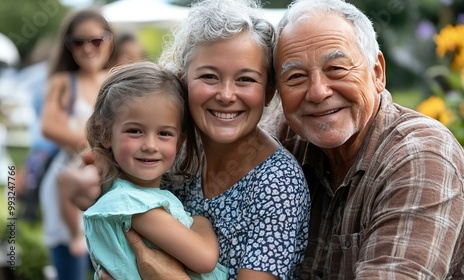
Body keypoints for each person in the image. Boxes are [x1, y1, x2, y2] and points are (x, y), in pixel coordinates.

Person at [65, 0, 310, 279]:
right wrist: (83, 180)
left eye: (245, 79)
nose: (227, 95)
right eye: (209, 76)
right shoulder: (170, 151)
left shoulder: (277, 182)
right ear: (183, 82)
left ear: (268, 92)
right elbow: (96, 167)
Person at [270, 0, 464, 279]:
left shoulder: (420, 155)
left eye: (337, 69)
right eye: (296, 77)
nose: (317, 92)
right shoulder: (285, 141)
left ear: (377, 73)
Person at [83, 61, 228, 280]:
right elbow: (205, 258)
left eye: (164, 134)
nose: (150, 145)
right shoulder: (133, 205)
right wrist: (201, 222)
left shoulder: (127, 196)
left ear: (179, 142)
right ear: (105, 134)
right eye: (134, 130)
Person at [39, 7, 115, 280]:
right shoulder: (63, 82)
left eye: (96, 40)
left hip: (108, 182)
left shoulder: (116, 79)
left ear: (109, 40)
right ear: (68, 46)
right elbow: (49, 126)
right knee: (71, 265)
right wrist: (100, 147)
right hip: (69, 177)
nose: (88, 49)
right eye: (78, 42)